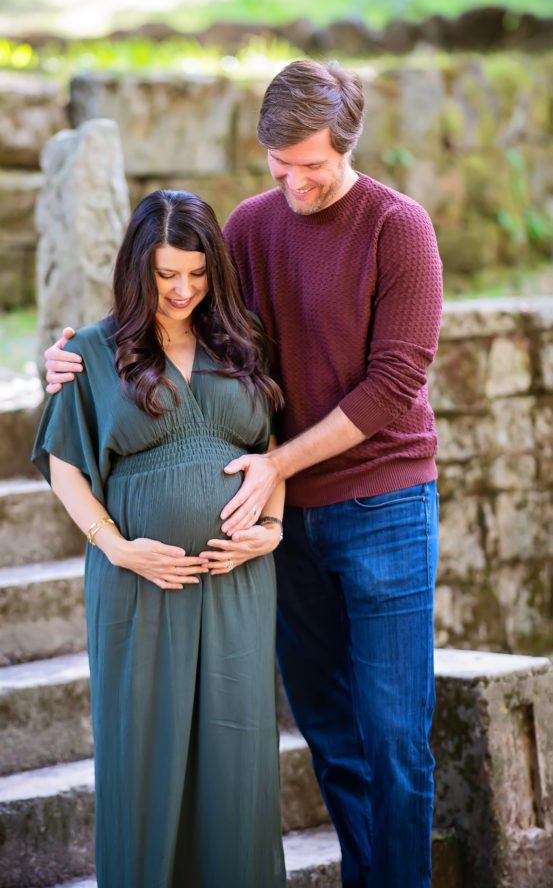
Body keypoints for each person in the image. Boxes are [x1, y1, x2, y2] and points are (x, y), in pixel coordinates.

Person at [45, 59, 444, 888]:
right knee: (330, 734)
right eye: (279, 164)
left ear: (347, 144)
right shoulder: (254, 229)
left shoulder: (397, 227)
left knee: (394, 739)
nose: (295, 181)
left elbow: (394, 383)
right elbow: (179, 313)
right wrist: (63, 361)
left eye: (312, 165)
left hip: (384, 506)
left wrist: (274, 468)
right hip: (285, 528)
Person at [33, 189, 287, 888]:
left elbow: (269, 453)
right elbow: (64, 467)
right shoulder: (89, 351)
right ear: (137, 268)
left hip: (237, 581)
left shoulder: (244, 342)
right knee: (142, 760)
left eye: (198, 274)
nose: (181, 289)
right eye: (165, 273)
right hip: (137, 584)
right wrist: (115, 547)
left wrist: (270, 529)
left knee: (237, 767)